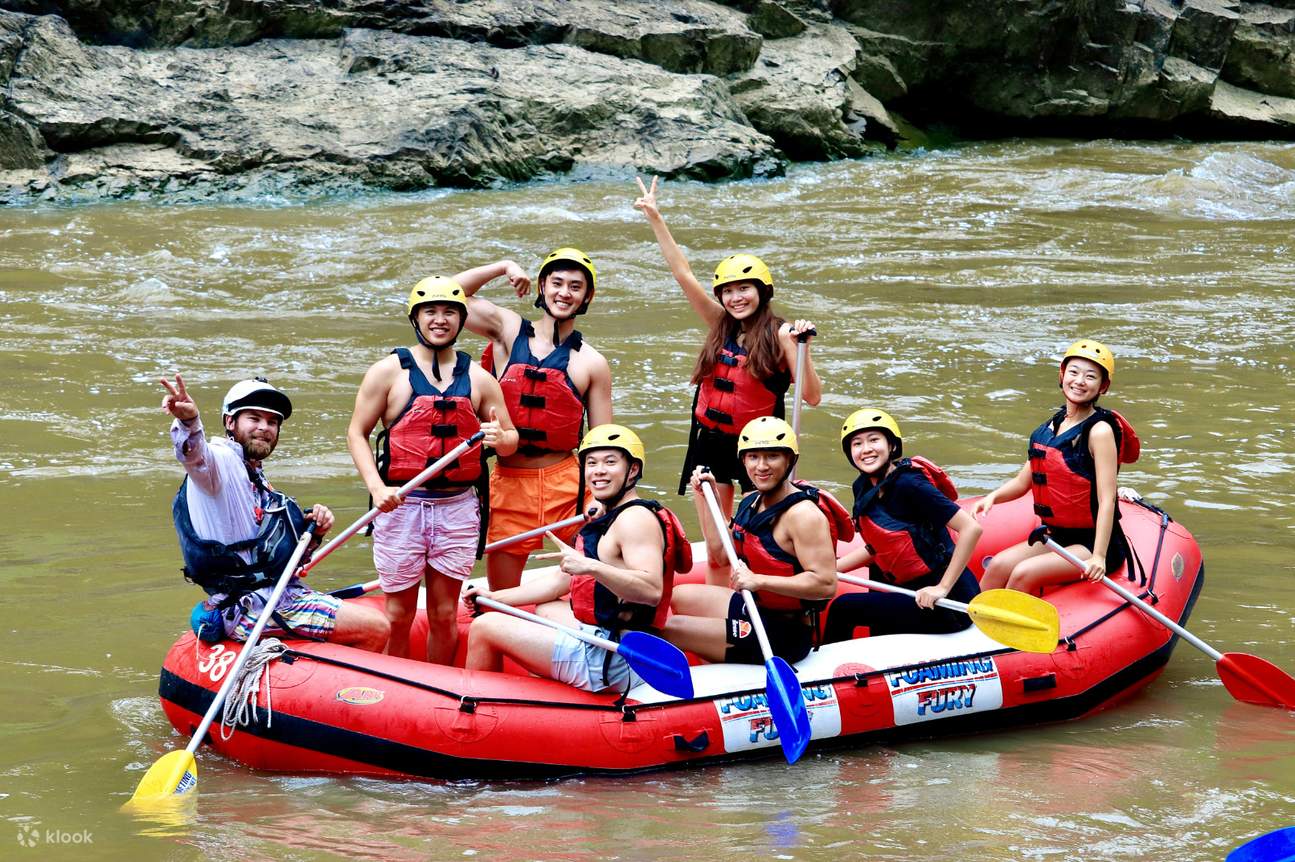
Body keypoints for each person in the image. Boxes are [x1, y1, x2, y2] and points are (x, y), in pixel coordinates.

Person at [632, 176, 820, 587]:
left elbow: (812, 396)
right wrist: (655, 217)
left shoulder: (782, 334)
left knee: (752, 540)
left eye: (745, 289)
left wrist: (797, 345)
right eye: (729, 291)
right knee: (717, 547)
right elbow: (682, 274)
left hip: (760, 447)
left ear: (762, 291)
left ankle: (764, 596)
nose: (736, 298)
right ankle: (720, 608)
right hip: (711, 442)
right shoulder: (719, 325)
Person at [348, 276, 518, 665]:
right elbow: (357, 433)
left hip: (457, 509)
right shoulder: (388, 372)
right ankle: (393, 690)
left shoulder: (479, 378)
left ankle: (440, 694)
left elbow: (510, 438)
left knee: (444, 614)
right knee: (397, 614)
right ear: (416, 318)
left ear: (460, 320)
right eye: (431, 312)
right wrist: (376, 488)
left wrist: (499, 439)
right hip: (400, 505)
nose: (439, 320)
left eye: (449, 313)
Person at [163, 374, 389, 650]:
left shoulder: (258, 477)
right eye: (254, 419)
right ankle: (356, 694)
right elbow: (193, 454)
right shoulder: (217, 464)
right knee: (377, 627)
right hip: (249, 609)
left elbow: (277, 562)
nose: (264, 428)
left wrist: (315, 533)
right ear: (229, 422)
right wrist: (189, 421)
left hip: (277, 596)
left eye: (272, 422)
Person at [462, 425, 690, 693]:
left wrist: (590, 566)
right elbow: (559, 583)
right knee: (546, 607)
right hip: (611, 641)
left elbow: (651, 590)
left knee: (484, 627)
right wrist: (492, 598)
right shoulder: (609, 514)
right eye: (591, 463)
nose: (599, 471)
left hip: (613, 659)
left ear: (633, 470)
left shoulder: (634, 519)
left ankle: (474, 712)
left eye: (610, 462)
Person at [450, 251, 613, 590]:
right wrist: (503, 266)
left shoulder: (593, 363)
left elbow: (604, 441)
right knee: (503, 593)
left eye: (575, 286)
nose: (564, 293)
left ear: (587, 296)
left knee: (580, 588)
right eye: (556, 283)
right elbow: (449, 294)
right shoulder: (507, 330)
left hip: (568, 484)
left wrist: (602, 497)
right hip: (509, 482)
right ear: (542, 286)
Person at [662, 417, 849, 665]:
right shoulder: (752, 502)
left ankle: (723, 673)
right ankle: (724, 662)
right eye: (753, 457)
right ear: (743, 461)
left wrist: (758, 580)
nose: (761, 466)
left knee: (670, 628)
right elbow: (719, 554)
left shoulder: (804, 515)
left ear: (790, 460)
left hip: (786, 632)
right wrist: (711, 500)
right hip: (755, 609)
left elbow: (825, 584)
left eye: (772, 456)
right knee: (680, 596)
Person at [975, 339, 1140, 594]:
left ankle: (1005, 632)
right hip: (1057, 535)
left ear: (1103, 386)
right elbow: (1022, 482)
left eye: (1090, 376)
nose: (1079, 381)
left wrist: (1098, 556)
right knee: (998, 565)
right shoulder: (1052, 427)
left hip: (1091, 542)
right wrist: (993, 498)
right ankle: (974, 628)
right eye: (1073, 372)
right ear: (1062, 375)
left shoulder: (1099, 431)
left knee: (1022, 573)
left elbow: (1107, 500)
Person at [822, 409, 983, 643]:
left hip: (945, 601)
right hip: (905, 588)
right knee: (876, 579)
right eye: (857, 444)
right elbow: (879, 546)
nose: (866, 449)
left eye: (874, 440)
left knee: (844, 608)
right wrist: (832, 570)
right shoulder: (863, 487)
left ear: (892, 446)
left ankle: (827, 675)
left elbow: (971, 528)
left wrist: (941, 588)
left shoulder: (911, 484)